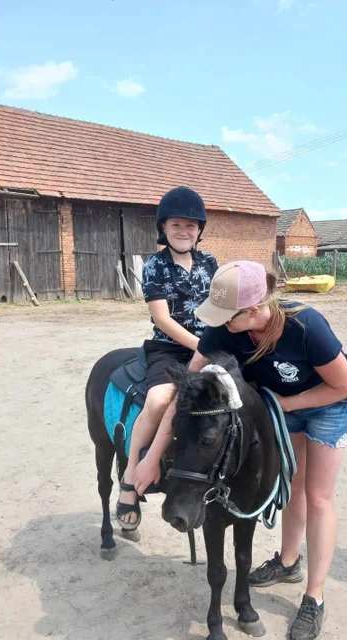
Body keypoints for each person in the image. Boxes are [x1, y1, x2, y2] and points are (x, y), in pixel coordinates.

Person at [135, 260, 347, 640]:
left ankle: (314, 596)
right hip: (280, 403)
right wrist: (151, 457)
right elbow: (186, 395)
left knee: (318, 496)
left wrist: (288, 405)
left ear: (254, 310)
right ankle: (288, 562)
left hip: (327, 403)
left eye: (226, 316)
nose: (218, 323)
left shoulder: (307, 326)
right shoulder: (223, 329)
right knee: (292, 486)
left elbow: (345, 385)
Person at [116, 186, 218, 531]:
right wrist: (200, 347)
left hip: (211, 341)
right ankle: (131, 476)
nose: (184, 231)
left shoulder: (210, 263)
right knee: (160, 399)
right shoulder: (155, 265)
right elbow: (162, 318)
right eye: (176, 224)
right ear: (164, 228)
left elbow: (220, 307)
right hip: (170, 346)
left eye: (191, 225)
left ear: (199, 229)